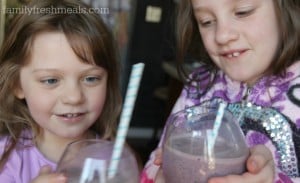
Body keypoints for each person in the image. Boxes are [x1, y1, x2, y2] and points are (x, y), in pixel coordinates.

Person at [141, 0, 300, 182]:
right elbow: (154, 165)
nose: (222, 36)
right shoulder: (199, 86)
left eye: (243, 12)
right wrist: (160, 175)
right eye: (206, 21)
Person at [0, 0, 122, 182]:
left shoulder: (118, 161)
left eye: (91, 78)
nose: (74, 97)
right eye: (51, 80)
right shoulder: (5, 159)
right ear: (17, 85)